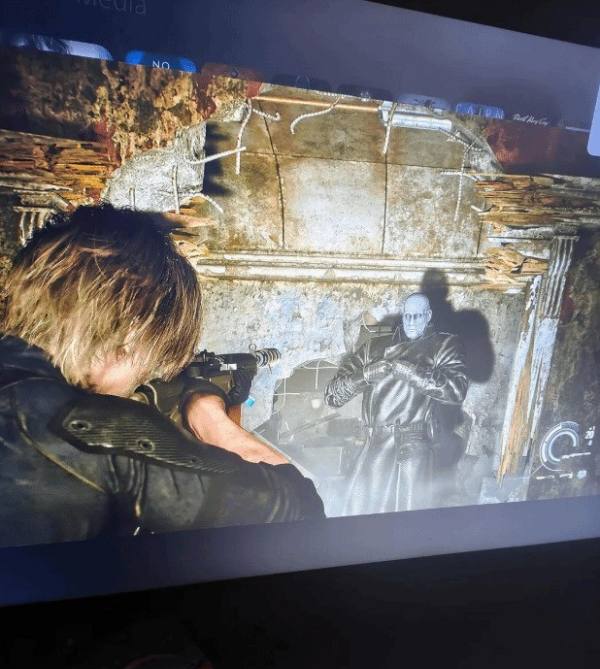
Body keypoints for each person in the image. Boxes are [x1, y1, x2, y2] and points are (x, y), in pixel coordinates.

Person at [0, 204, 324, 547]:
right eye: (152, 359)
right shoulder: (97, 436)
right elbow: (301, 515)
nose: (142, 376)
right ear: (133, 331)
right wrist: (207, 412)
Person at [324, 292, 468, 515]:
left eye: (417, 316)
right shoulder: (373, 347)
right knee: (359, 515)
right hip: (373, 445)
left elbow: (456, 391)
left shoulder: (443, 345)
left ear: (428, 315)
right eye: (407, 316)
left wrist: (410, 372)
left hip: (410, 451)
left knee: (406, 520)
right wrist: (365, 375)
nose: (411, 322)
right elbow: (332, 397)